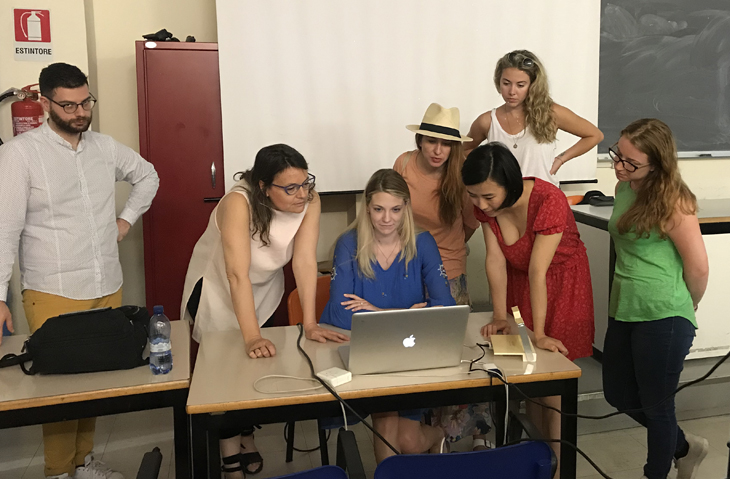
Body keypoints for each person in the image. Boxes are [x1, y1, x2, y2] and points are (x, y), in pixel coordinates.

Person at [0, 63, 159, 479]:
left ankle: (84, 463)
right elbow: (5, 229)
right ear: (47, 103)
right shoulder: (20, 154)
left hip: (106, 281)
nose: (79, 113)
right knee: (58, 391)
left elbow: (147, 175)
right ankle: (57, 472)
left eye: (85, 102)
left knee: (94, 381)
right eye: (68, 105)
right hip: (52, 287)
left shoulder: (104, 147)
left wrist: (124, 220)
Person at [180, 144, 347, 478]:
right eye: (290, 188)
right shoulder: (238, 203)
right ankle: (229, 455)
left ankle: (247, 436)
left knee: (255, 370)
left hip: (264, 289)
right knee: (226, 372)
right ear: (263, 188)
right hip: (219, 291)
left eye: (306, 183)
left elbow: (303, 259)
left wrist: (310, 322)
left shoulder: (309, 200)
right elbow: (236, 275)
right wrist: (252, 334)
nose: (302, 194)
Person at [462, 142, 594, 476]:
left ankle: (560, 466)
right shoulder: (486, 207)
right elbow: (495, 259)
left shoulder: (549, 200)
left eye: (488, 197)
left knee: (552, 380)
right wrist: (500, 315)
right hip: (523, 285)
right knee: (528, 381)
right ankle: (540, 457)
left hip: (561, 285)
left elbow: (539, 271)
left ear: (510, 184)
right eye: (473, 195)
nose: (481, 205)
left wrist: (540, 333)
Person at [319, 169, 455, 462]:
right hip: (361, 351)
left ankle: (438, 435)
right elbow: (342, 316)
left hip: (408, 352)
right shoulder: (349, 243)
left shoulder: (424, 243)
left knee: (407, 441)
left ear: (406, 207)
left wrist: (378, 312)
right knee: (386, 420)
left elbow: (445, 306)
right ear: (367, 207)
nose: (386, 218)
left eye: (395, 209)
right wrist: (408, 313)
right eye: (378, 209)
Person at [602, 119, 710, 479]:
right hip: (624, 307)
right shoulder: (624, 189)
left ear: (658, 163)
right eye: (618, 155)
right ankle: (684, 447)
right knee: (617, 393)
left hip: (664, 313)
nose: (619, 166)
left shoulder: (675, 201)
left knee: (658, 406)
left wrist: (686, 307)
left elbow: (698, 269)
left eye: (630, 163)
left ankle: (656, 473)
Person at [394, 103, 491, 449]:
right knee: (416, 355)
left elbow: (469, 224)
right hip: (407, 269)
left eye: (446, 144)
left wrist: (442, 254)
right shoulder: (403, 164)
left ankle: (475, 431)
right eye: (432, 141)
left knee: (453, 353)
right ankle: (427, 432)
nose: (438, 150)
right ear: (420, 141)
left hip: (448, 270)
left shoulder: (461, 174)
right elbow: (394, 216)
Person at [465, 49, 603, 187]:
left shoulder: (551, 113)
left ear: (533, 85)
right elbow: (464, 150)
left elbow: (594, 135)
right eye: (506, 83)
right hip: (504, 203)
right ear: (498, 82)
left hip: (544, 198)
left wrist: (561, 159)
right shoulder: (486, 121)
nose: (512, 92)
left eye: (520, 85)